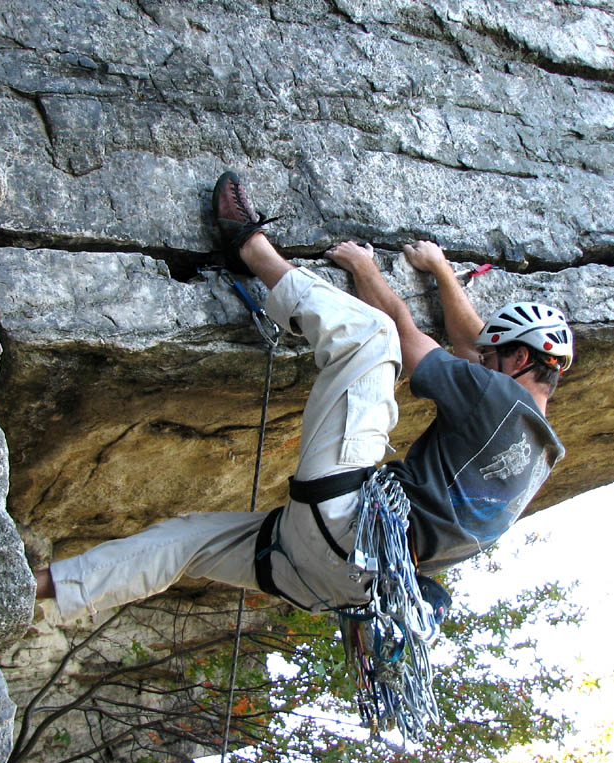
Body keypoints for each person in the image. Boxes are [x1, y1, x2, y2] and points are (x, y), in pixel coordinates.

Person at [35, 171, 571, 619]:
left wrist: (366, 269)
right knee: (186, 543)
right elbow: (472, 343)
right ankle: (40, 589)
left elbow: (405, 332)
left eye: (491, 357)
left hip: (348, 524)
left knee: (371, 337)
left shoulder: (500, 401)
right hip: (333, 586)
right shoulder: (538, 458)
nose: (478, 360)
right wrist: (441, 275)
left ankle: (248, 245)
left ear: (519, 361)